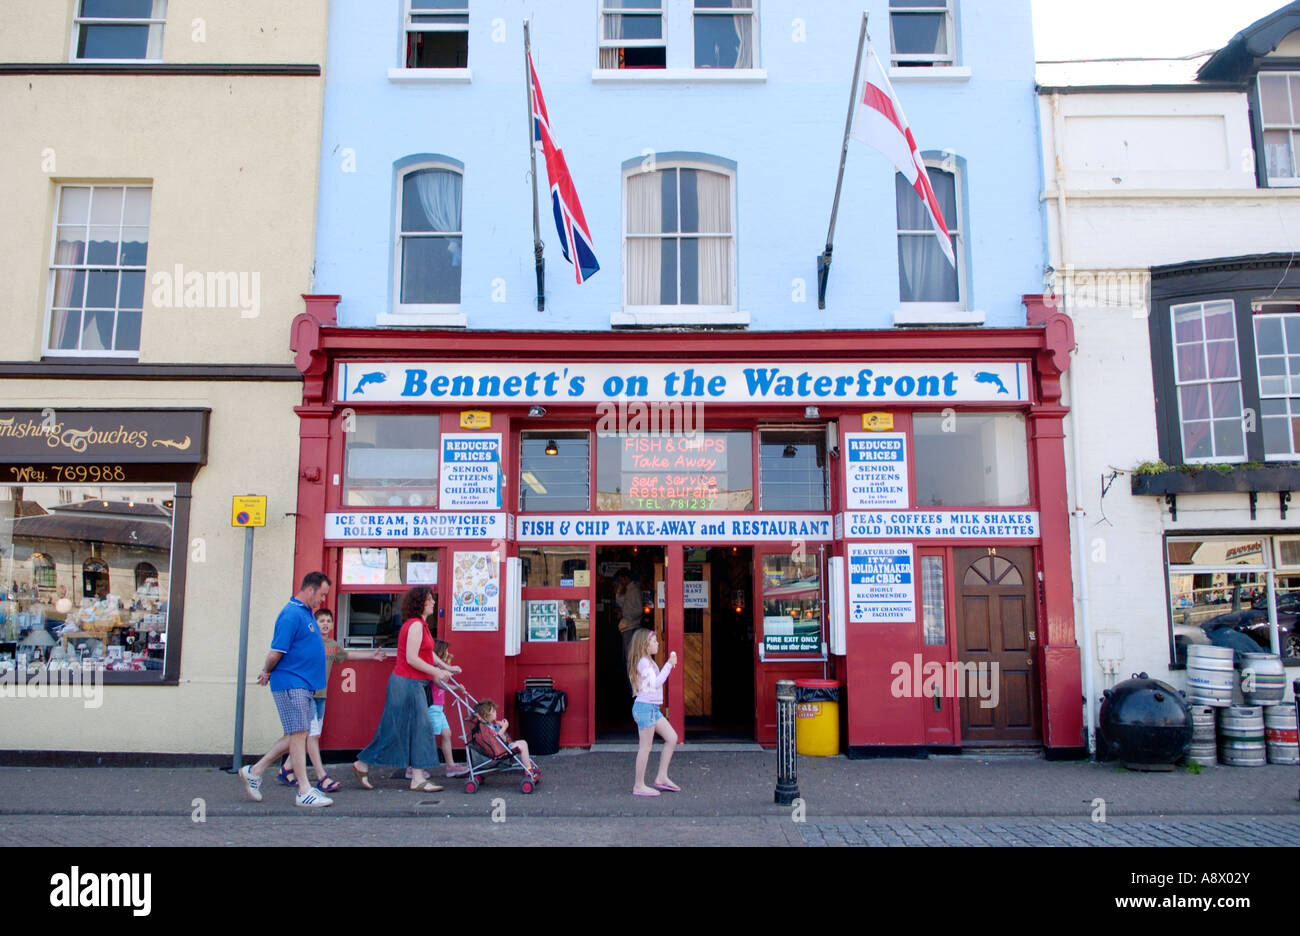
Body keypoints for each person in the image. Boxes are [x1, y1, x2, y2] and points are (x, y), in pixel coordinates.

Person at [238, 572, 335, 808]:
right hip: (293, 683)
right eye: (321, 595)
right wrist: (267, 670)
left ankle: (255, 770)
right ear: (310, 590)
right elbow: (276, 651)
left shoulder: (304, 613)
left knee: (295, 734)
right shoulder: (291, 614)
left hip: (302, 684)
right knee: (300, 733)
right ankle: (303, 790)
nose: (322, 600)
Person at [352, 586, 460, 792]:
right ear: (420, 603)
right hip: (406, 683)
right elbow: (412, 658)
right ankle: (415, 778)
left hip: (412, 683)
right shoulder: (415, 626)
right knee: (416, 727)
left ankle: (366, 765)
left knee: (405, 728)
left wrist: (447, 667)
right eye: (430, 600)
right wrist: (437, 673)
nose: (434, 603)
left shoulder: (422, 626)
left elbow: (428, 653)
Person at [276, 607, 384, 792]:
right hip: (307, 695)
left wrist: (371, 655)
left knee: (307, 735)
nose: (325, 624)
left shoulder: (332, 645)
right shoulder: (308, 642)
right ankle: (321, 777)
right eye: (321, 621)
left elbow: (348, 655)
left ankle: (286, 768)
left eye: (328, 621)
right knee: (312, 736)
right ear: (314, 624)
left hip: (321, 697)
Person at [627, 627, 679, 797]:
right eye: (654, 641)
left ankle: (662, 777)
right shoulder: (643, 662)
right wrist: (669, 665)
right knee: (645, 747)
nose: (657, 643)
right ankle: (638, 785)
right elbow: (655, 683)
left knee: (672, 738)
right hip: (645, 708)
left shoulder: (648, 661)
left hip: (652, 709)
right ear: (645, 644)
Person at [428, 640, 469, 778]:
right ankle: (415, 767)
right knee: (428, 737)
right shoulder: (433, 668)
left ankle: (450, 766)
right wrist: (456, 687)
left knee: (446, 734)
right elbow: (439, 684)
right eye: (445, 652)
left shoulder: (441, 668)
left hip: (438, 707)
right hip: (432, 706)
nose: (447, 654)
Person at [472, 699, 539, 779]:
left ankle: (528, 764)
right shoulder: (488, 729)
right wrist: (504, 727)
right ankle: (529, 770)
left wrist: (499, 725)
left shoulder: (488, 725)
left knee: (522, 743)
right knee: (523, 745)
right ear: (486, 716)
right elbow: (497, 736)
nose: (495, 712)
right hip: (501, 750)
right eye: (493, 712)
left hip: (502, 747)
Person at [616, 570, 645, 663]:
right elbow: (621, 602)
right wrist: (618, 591)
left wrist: (624, 614)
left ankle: (631, 677)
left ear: (626, 578)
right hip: (627, 627)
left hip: (632, 627)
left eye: (621, 581)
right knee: (627, 656)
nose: (621, 583)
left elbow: (639, 610)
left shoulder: (634, 590)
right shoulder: (629, 590)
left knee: (630, 657)